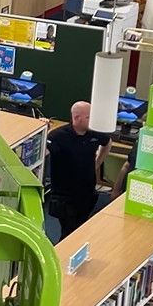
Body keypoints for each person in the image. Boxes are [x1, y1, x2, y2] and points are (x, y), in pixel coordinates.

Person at [46, 101, 111, 240]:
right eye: (89, 117)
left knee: (82, 229)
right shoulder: (58, 136)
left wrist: (97, 163)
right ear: (77, 118)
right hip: (65, 196)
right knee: (69, 233)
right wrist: (43, 130)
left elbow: (107, 143)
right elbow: (44, 152)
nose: (93, 120)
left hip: (87, 193)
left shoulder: (94, 133)